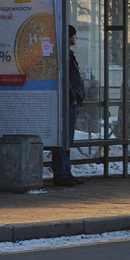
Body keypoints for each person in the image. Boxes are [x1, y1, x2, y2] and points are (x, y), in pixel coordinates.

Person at [51, 25, 85, 187]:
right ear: (68, 37)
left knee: (68, 140)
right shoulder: (64, 55)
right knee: (64, 138)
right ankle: (61, 173)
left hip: (72, 102)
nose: (75, 38)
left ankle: (66, 172)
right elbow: (64, 78)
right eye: (73, 35)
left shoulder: (68, 55)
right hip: (68, 103)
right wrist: (72, 96)